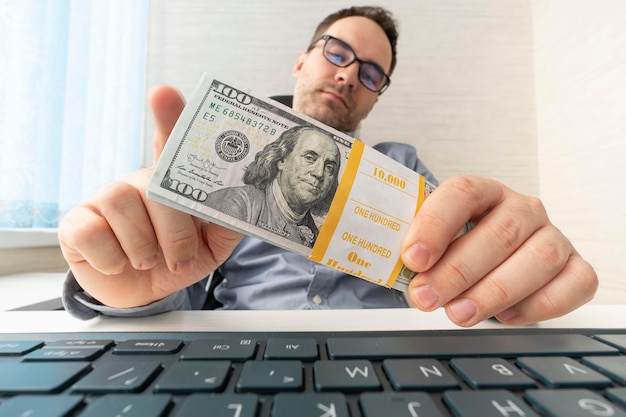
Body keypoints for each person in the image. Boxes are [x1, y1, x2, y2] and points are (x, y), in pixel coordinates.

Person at [58, 6, 598, 326]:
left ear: (376, 97)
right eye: (337, 53)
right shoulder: (226, 172)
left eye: (370, 74)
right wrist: (126, 289)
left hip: (383, 354)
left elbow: (451, 271)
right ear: (302, 60)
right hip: (241, 345)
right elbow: (183, 294)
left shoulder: (404, 167)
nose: (347, 76)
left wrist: (504, 268)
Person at [202, 125, 341, 248]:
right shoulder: (235, 204)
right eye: (309, 158)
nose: (319, 173)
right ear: (281, 160)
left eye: (329, 167)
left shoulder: (316, 236)